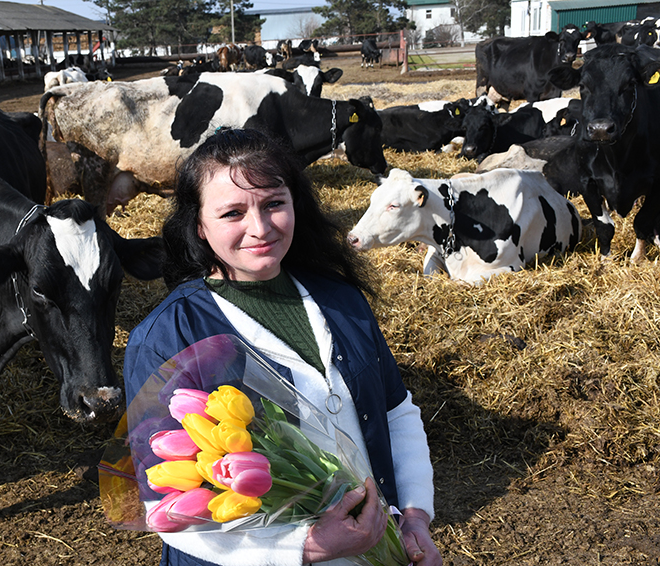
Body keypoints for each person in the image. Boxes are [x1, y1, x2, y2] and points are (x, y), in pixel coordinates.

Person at [123, 128, 442, 566]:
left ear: (296, 203)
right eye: (232, 212)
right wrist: (303, 548)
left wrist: (414, 518)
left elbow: (395, 412)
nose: (260, 228)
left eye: (274, 203)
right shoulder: (167, 336)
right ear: (199, 225)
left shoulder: (340, 299)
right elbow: (163, 509)